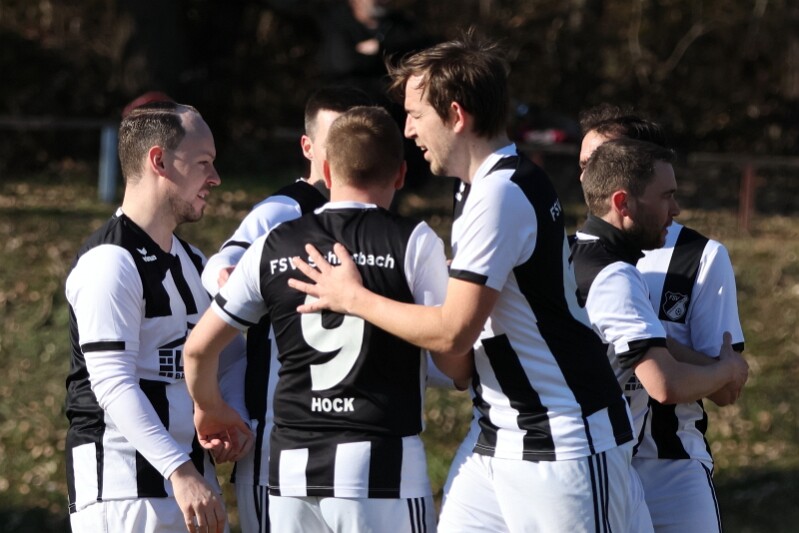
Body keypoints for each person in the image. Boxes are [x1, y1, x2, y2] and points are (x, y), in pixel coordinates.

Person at [287, 34, 643, 533]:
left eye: (416, 115)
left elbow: (453, 334)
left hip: (563, 441)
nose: (407, 129)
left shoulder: (500, 194)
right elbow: (459, 355)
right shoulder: (479, 187)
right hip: (498, 433)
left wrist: (353, 297)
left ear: (456, 116)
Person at [184, 106, 456, 532]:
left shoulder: (273, 245)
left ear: (326, 172)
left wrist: (209, 408)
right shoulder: (414, 242)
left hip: (289, 475)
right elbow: (454, 361)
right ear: (401, 174)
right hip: (382, 472)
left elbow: (198, 350)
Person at [64, 101, 250, 533]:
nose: (215, 178)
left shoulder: (193, 261)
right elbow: (112, 383)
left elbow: (232, 356)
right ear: (159, 161)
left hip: (193, 489)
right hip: (123, 494)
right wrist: (179, 471)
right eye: (203, 163)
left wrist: (229, 412)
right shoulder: (108, 262)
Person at [200, 85, 371, 533]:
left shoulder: (374, 218)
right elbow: (221, 264)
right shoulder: (282, 210)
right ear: (308, 147)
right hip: (277, 442)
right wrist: (229, 280)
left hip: (356, 437)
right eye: (333, 141)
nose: (345, 153)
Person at [578, 104, 747, 532]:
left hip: (671, 462)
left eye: (599, 161)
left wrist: (657, 350)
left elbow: (727, 389)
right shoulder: (572, 254)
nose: (587, 176)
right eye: (584, 165)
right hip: (589, 458)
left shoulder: (702, 256)